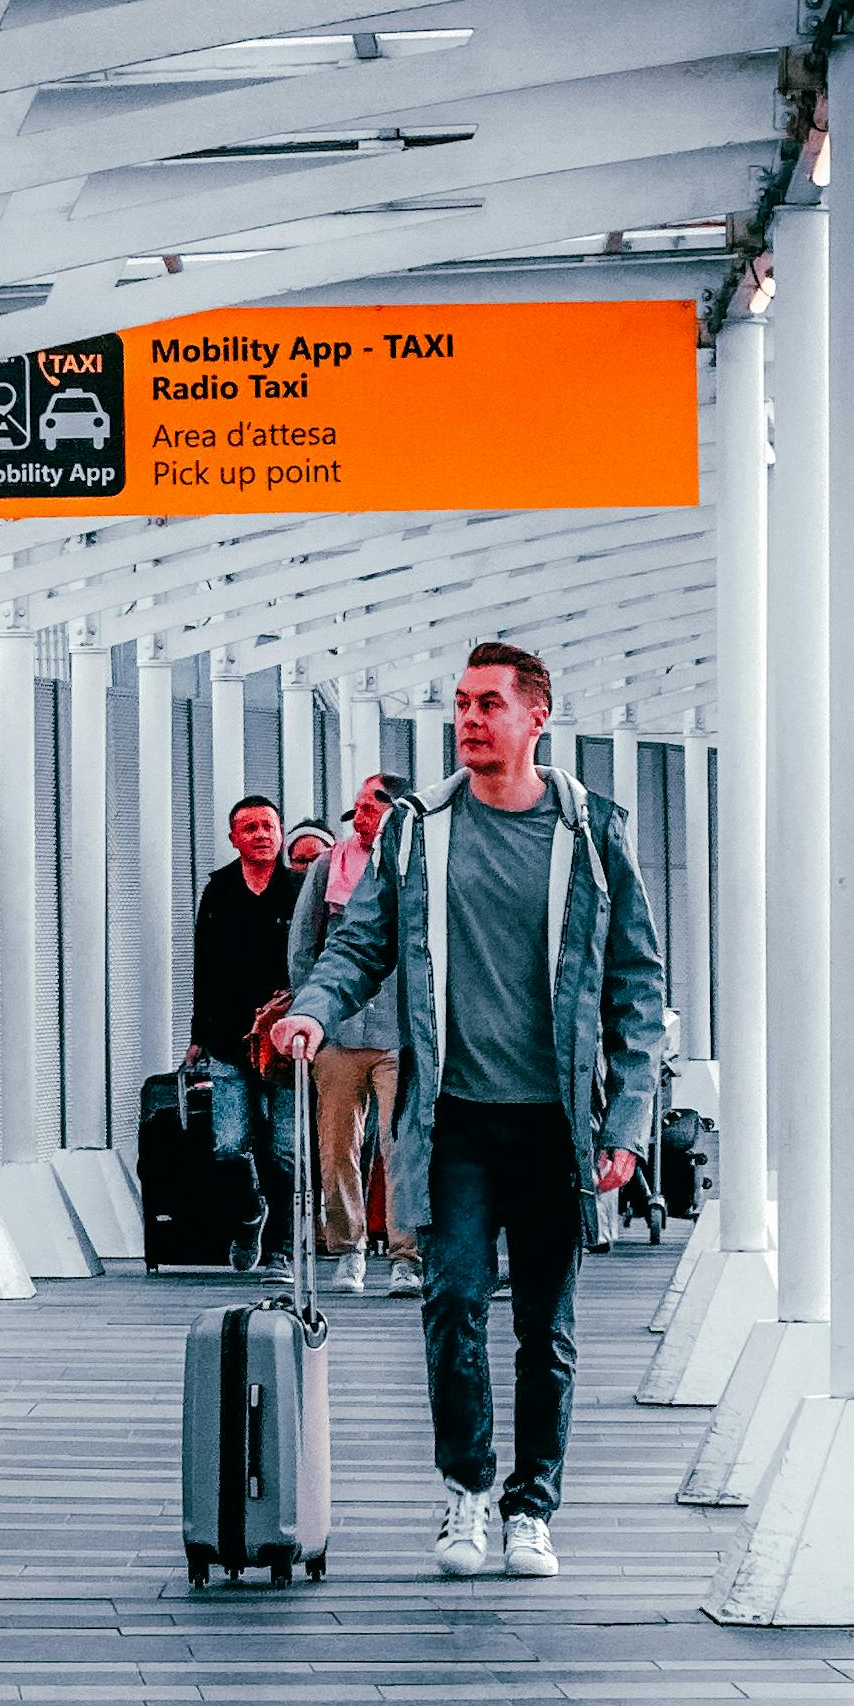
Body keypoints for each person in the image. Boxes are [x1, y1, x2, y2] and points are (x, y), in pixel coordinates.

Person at [275, 645, 665, 1581]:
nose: (469, 719)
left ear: (537, 716)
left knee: (545, 1324)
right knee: (450, 1301)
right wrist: (312, 1008)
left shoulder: (592, 832)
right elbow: (360, 941)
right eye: (459, 704)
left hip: (554, 1124)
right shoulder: (417, 834)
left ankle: (533, 1504)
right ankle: (467, 1490)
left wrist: (628, 1121)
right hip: (450, 1119)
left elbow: (635, 983)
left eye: (489, 703)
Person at [288, 774, 421, 1297]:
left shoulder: (416, 866)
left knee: (402, 1143)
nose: (360, 817)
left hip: (399, 1031)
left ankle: (406, 1254)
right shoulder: (328, 867)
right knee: (337, 1144)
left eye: (370, 807)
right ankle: (348, 1249)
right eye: (358, 808)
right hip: (340, 1033)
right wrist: (313, 1013)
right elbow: (303, 947)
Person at [187, 793, 306, 1273]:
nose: (261, 835)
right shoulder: (218, 890)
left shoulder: (299, 889)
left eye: (268, 827)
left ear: (281, 834)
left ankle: (279, 1246)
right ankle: (250, 1212)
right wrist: (198, 1032)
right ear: (233, 838)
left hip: (284, 1041)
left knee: (284, 1148)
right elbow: (204, 965)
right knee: (229, 1145)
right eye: (249, 828)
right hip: (227, 1037)